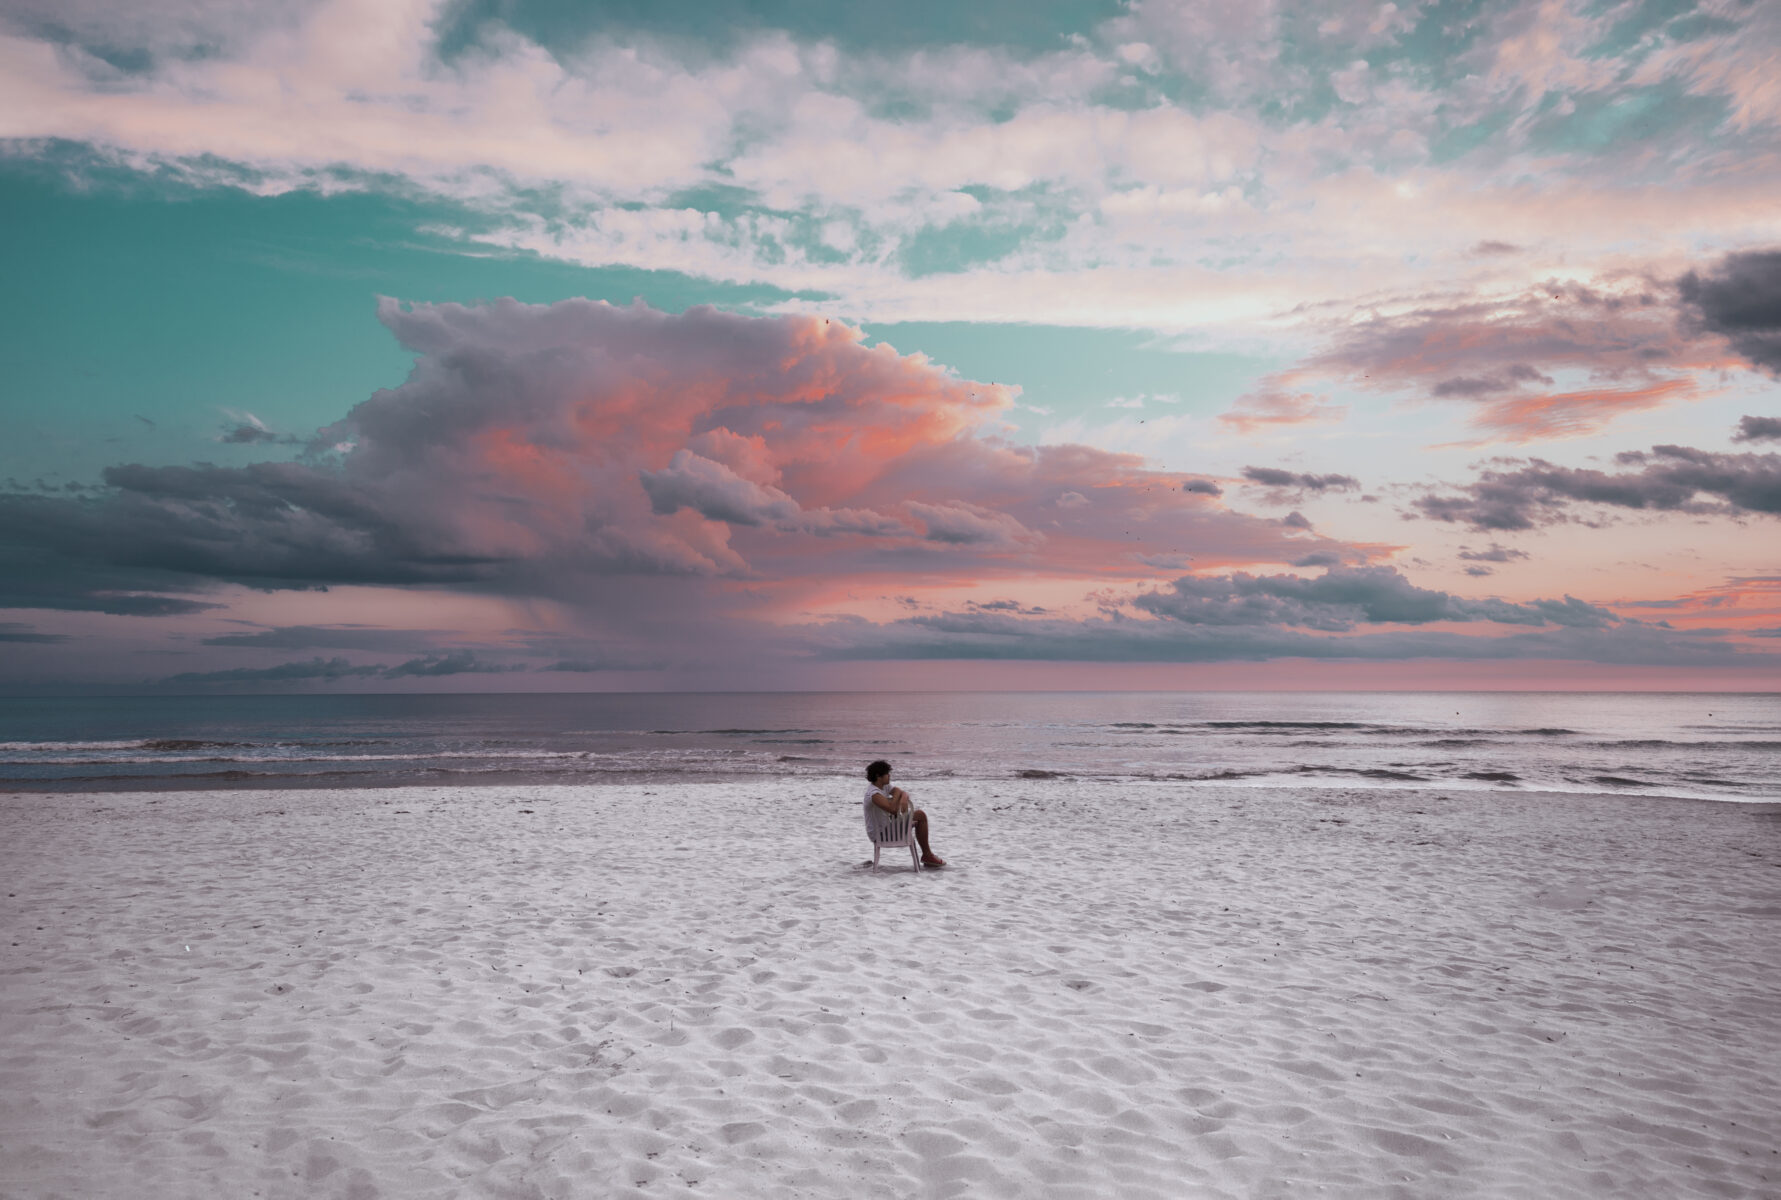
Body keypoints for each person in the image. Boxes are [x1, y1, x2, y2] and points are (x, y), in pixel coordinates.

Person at [863, 759, 945, 868]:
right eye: (887, 774)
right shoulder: (873, 794)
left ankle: (927, 855)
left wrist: (904, 798)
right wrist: (900, 797)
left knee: (920, 816)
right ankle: (927, 855)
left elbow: (899, 791)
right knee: (920, 815)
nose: (889, 776)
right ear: (878, 776)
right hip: (881, 834)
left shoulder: (884, 786)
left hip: (888, 827)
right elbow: (892, 809)